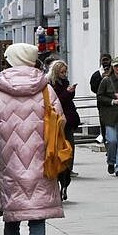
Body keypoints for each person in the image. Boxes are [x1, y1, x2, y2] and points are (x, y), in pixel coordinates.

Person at [0, 43, 65, 235]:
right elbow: (60, 121)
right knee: (37, 218)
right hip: (42, 162)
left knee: (12, 219)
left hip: (11, 162)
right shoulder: (46, 89)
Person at [46, 59, 81, 200]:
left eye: (65, 72)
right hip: (57, 121)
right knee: (59, 149)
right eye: (62, 72)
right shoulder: (50, 85)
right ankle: (61, 177)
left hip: (68, 120)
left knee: (69, 147)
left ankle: (67, 174)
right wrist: (67, 92)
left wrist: (71, 92)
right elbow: (56, 102)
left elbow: (67, 100)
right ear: (55, 72)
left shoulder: (64, 82)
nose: (64, 74)